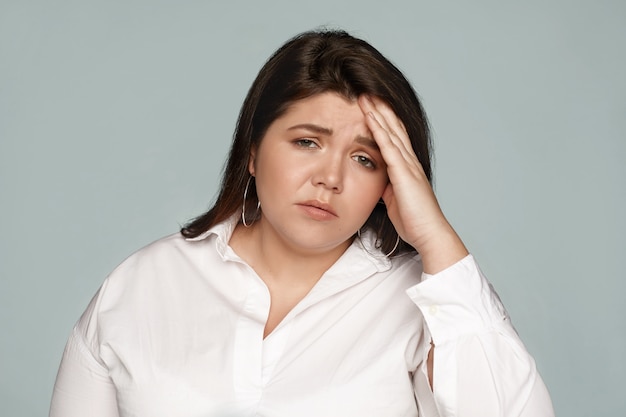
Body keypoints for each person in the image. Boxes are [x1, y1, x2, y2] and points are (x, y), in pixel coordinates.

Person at [49, 29, 555, 417]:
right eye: (307, 142)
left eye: (364, 159)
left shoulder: (428, 306)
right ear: (252, 151)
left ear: (392, 181)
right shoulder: (140, 287)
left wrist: (439, 241)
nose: (330, 178)